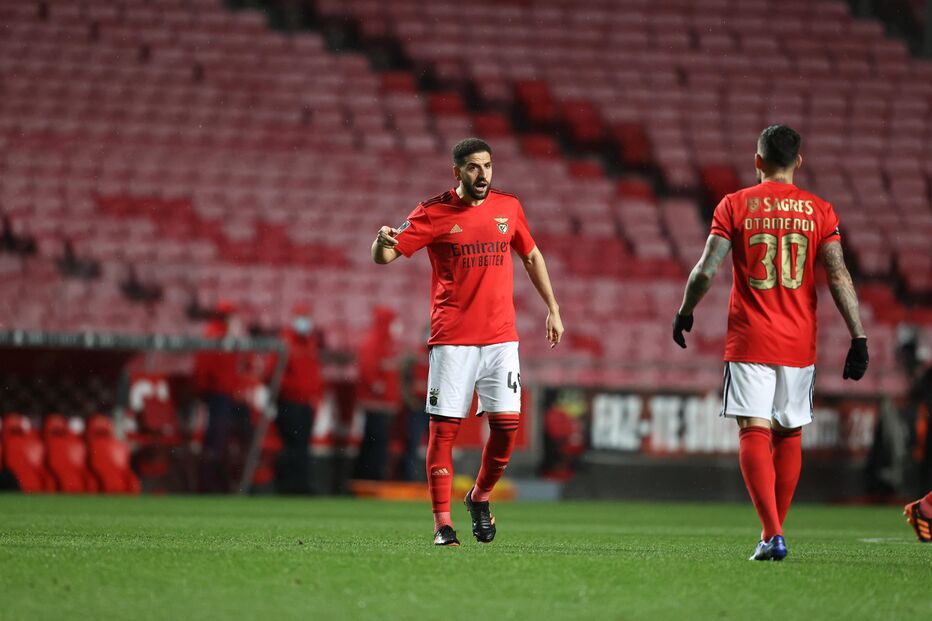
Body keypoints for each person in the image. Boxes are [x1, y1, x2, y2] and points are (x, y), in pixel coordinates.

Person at [672, 125, 869, 561]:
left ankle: (771, 533)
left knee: (753, 428)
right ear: (798, 162)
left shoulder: (735, 205)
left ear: (757, 160)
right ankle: (773, 533)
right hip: (800, 340)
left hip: (750, 337)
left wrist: (686, 310)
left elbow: (706, 269)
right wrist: (858, 335)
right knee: (789, 432)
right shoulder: (820, 211)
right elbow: (838, 275)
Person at [371, 137, 564, 546]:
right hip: (452, 340)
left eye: (488, 166)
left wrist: (553, 308)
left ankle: (479, 497)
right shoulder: (432, 212)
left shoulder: (508, 207)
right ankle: (443, 525)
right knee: (444, 433)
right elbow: (384, 256)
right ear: (457, 172)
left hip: (500, 341)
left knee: (508, 428)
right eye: (474, 168)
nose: (483, 175)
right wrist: (381, 241)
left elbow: (531, 255)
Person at [193, 301, 252, 493]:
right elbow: (204, 368)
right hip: (218, 395)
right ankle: (209, 484)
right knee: (216, 440)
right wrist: (203, 390)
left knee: (231, 439)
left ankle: (227, 482)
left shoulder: (229, 337)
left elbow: (242, 367)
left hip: (230, 395)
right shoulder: (213, 336)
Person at [274, 303, 324, 494]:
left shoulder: (310, 343)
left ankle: (300, 485)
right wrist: (289, 391)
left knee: (302, 445)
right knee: (292, 446)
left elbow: (314, 373)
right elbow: (275, 373)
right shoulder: (286, 342)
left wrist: (314, 395)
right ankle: (289, 486)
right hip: (290, 402)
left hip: (305, 403)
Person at [354, 306, 403, 481]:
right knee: (374, 440)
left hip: (384, 403)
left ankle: (372, 475)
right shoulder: (374, 342)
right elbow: (366, 367)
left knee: (378, 440)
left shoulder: (387, 344)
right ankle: (369, 476)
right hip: (375, 403)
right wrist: (376, 384)